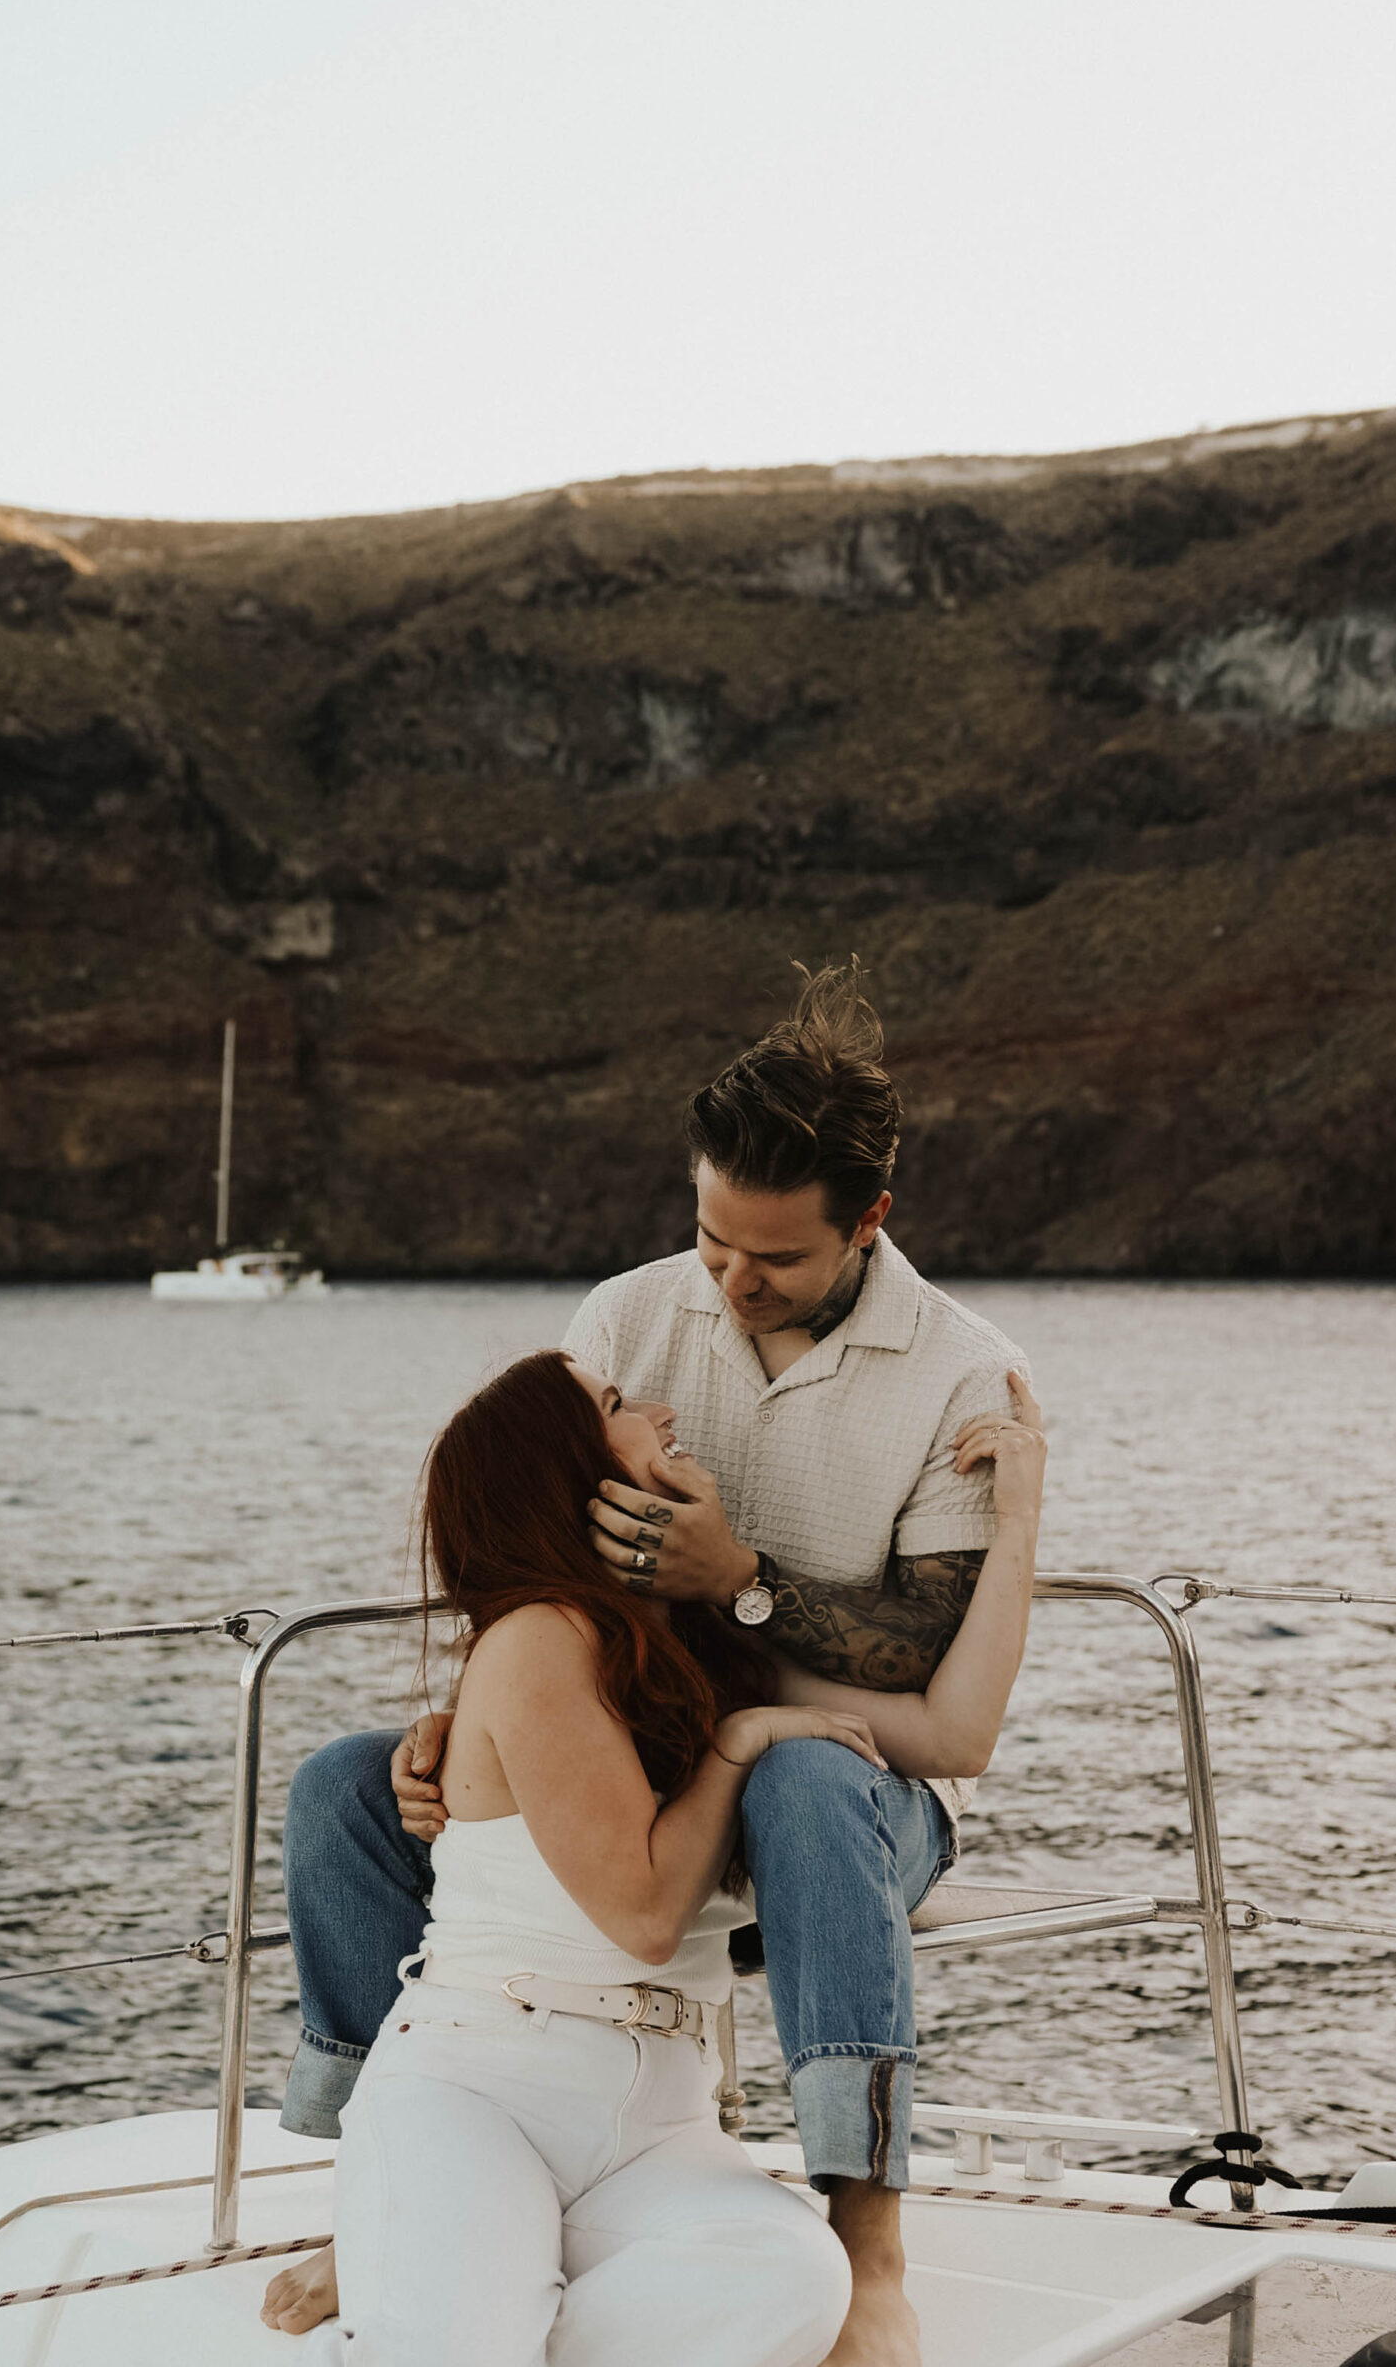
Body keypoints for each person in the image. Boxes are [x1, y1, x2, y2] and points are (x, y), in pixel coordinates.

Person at [268, 963, 1035, 2366]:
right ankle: (382, 2190)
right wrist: (470, 1723)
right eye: (708, 1240)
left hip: (850, 1787)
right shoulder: (629, 1317)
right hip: (650, 1742)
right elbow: (539, 1535)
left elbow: (924, 1693)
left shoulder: (958, 1380)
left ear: (867, 1221)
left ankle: (867, 2245)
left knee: (801, 1781)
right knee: (338, 1785)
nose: (729, 1284)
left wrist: (736, 1586)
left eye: (775, 1260)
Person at [298, 1344, 1045, 2366]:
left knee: (794, 2280)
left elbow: (954, 1733)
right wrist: (738, 1747)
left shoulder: (700, 1652)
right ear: (574, 1471)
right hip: (485, 2083)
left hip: (658, 2118)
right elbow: (645, 1914)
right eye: (615, 1403)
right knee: (463, 2344)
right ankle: (433, 2284)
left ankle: (450, 2297)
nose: (656, 1407)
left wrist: (1019, 1521)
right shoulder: (539, 1640)